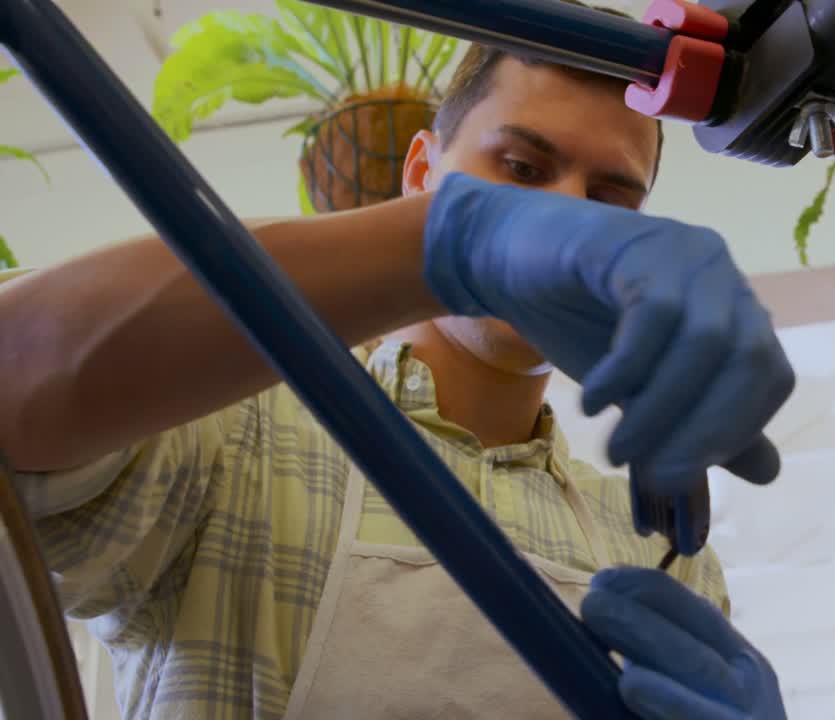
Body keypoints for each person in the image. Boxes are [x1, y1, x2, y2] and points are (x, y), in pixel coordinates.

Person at [0, 6, 792, 720]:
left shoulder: (653, 552)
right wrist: (452, 243)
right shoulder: (233, 434)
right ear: (421, 173)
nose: (563, 215)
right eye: (520, 170)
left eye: (609, 202)